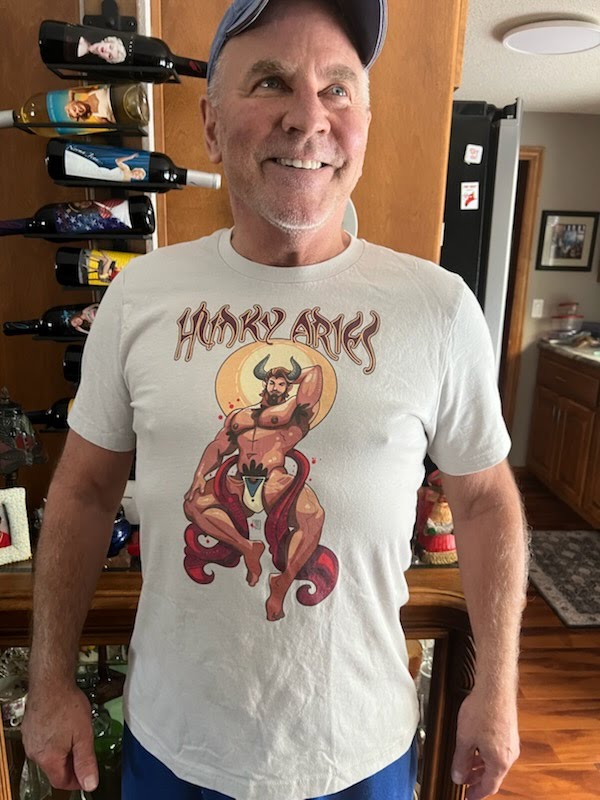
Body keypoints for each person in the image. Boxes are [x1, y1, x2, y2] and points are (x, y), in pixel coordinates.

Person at [21, 2, 529, 800]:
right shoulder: (140, 296)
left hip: (359, 758)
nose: (308, 117)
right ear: (211, 125)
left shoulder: (438, 309)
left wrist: (497, 689)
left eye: (337, 89)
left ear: (363, 125)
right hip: (175, 751)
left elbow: (488, 500)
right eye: (271, 82)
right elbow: (83, 493)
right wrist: (49, 681)